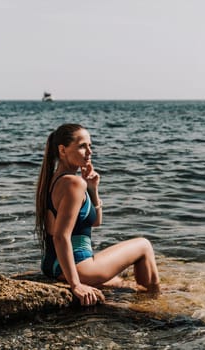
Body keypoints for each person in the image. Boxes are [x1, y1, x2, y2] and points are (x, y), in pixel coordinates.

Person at [35, 123, 160, 306]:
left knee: (124, 284)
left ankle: (149, 294)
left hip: (52, 265)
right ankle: (155, 303)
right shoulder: (73, 183)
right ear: (62, 150)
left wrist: (93, 190)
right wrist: (76, 284)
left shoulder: (53, 180)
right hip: (78, 266)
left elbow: (95, 222)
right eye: (82, 146)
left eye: (90, 146)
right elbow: (61, 236)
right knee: (144, 245)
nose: (89, 152)